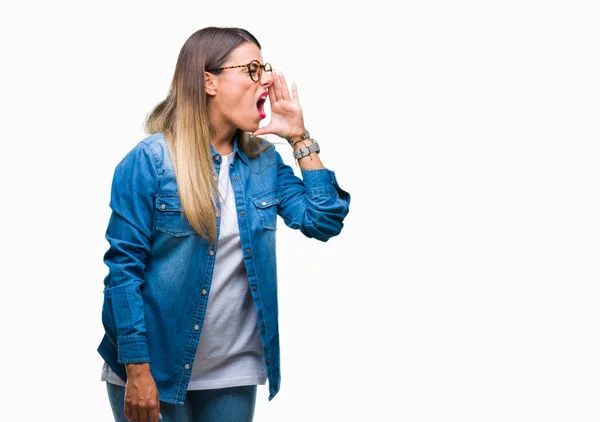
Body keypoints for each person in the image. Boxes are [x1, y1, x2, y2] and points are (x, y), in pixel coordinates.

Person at [97, 26, 351, 422]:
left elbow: (323, 219)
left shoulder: (265, 163)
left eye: (263, 68)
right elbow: (123, 273)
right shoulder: (152, 160)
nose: (266, 78)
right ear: (208, 81)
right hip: (154, 368)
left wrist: (299, 136)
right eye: (252, 69)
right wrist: (136, 369)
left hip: (232, 372)